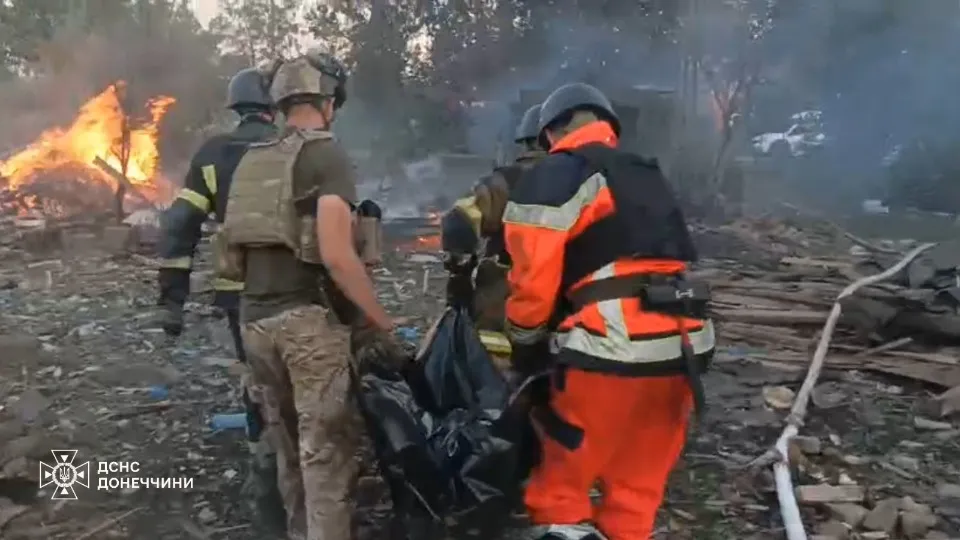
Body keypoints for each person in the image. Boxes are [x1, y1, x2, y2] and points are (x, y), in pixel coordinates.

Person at [502, 82, 717, 540]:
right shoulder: (644, 173)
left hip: (610, 343)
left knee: (563, 475)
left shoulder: (558, 172)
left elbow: (532, 276)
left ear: (552, 130)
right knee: (638, 482)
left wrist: (525, 343)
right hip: (685, 342)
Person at [217, 49, 394, 540]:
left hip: (255, 323)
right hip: (307, 326)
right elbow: (337, 256)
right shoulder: (325, 154)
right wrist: (380, 320)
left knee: (289, 448)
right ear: (328, 101)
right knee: (325, 456)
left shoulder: (254, 160)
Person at [155, 66, 285, 530]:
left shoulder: (213, 155)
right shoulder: (294, 147)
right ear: (274, 107)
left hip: (239, 294)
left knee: (257, 378)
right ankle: (301, 470)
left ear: (236, 106)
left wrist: (173, 299)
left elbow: (180, 225)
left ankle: (264, 464)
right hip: (297, 292)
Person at [440, 103, 547, 358]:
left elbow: (458, 223)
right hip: (571, 322)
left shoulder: (504, 182)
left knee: (492, 367)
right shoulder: (591, 182)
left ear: (526, 142)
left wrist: (460, 277)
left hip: (504, 313)